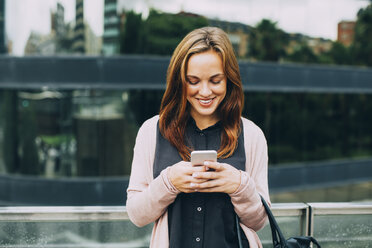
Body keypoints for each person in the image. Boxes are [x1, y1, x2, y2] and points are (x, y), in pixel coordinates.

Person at [126, 26, 270, 248]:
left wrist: (239, 186)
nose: (204, 92)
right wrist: (169, 182)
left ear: (229, 79)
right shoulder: (151, 131)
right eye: (193, 81)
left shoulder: (252, 135)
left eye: (215, 80)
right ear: (179, 80)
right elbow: (137, 215)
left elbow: (259, 221)